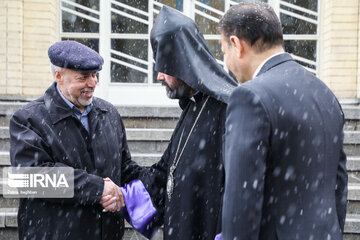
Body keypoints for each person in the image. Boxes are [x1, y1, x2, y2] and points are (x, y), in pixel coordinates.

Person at [103, 6, 237, 240]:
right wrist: (122, 188)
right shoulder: (193, 106)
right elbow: (165, 175)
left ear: (184, 63)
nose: (158, 76)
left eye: (165, 68)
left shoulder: (229, 109)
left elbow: (241, 192)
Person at [217, 2, 348, 240]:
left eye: (224, 52)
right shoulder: (325, 94)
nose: (226, 63)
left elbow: (242, 200)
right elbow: (338, 187)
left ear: (237, 45)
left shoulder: (249, 97)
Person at [10, 40, 142, 239]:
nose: (92, 83)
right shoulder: (27, 119)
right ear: (58, 76)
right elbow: (28, 178)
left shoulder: (109, 114)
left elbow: (123, 169)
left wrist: (154, 184)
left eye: (95, 75)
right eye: (83, 77)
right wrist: (99, 189)